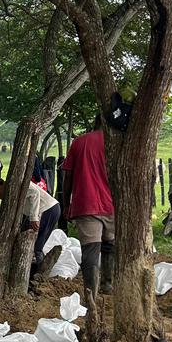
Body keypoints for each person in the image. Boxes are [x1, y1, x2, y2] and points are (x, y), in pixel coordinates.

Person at [60, 115, 115, 296]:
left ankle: (91, 294)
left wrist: (66, 202)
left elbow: (67, 176)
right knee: (110, 246)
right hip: (113, 204)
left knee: (91, 250)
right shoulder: (118, 142)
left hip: (86, 203)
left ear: (95, 123)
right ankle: (108, 284)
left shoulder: (79, 142)